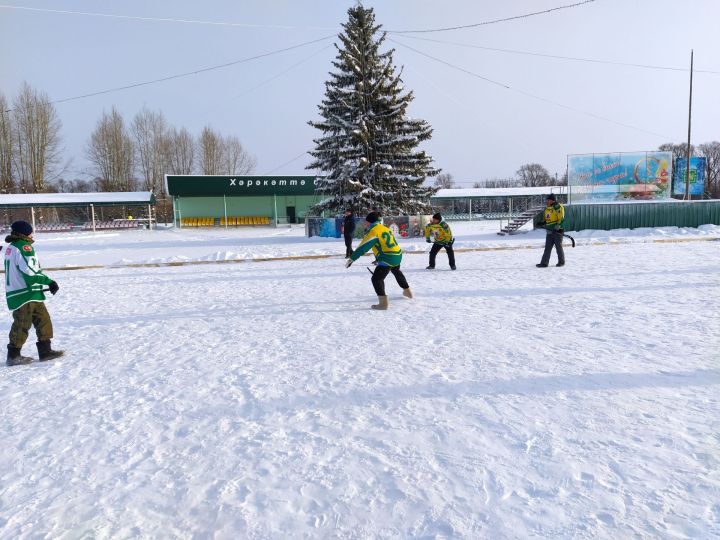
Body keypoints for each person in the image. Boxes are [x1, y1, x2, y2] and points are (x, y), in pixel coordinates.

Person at [4, 220, 64, 366]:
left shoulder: (11, 247)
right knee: (22, 323)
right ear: (25, 233)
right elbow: (30, 273)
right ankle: (13, 355)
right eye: (30, 231)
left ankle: (45, 351)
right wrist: (49, 281)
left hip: (29, 293)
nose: (32, 234)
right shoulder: (24, 248)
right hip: (25, 293)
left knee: (43, 319)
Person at [345, 211, 412, 310]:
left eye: (366, 222)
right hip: (397, 254)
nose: (365, 224)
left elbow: (363, 247)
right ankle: (407, 291)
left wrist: (352, 259)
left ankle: (383, 303)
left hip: (388, 257)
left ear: (369, 222)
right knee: (396, 271)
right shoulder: (384, 227)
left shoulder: (373, 231)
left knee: (376, 279)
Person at [536, 194, 566, 268]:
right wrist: (542, 222)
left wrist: (557, 228)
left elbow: (561, 218)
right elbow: (548, 219)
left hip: (557, 231)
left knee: (558, 247)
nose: (547, 201)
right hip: (549, 231)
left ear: (553, 200)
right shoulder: (547, 208)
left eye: (548, 200)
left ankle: (561, 262)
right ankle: (544, 263)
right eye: (547, 200)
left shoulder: (557, 207)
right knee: (547, 248)